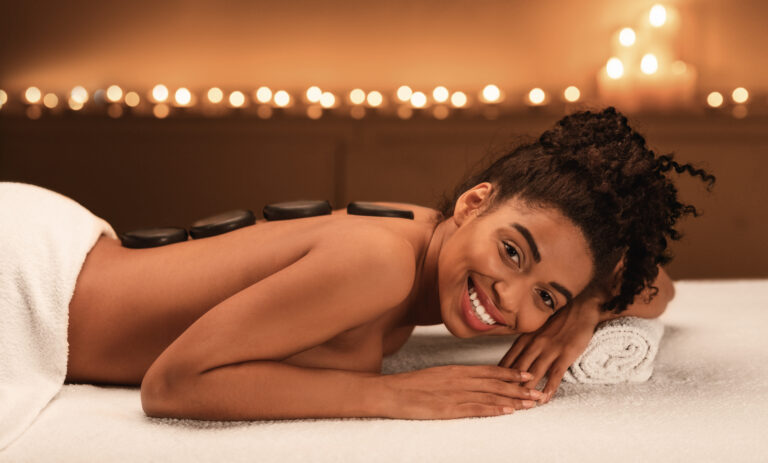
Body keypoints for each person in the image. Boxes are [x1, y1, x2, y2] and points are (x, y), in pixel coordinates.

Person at [65, 106, 715, 421]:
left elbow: (657, 285)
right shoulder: (380, 262)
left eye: (544, 295)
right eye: (512, 251)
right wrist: (392, 394)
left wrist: (586, 309)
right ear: (474, 202)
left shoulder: (424, 241)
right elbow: (171, 384)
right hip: (36, 286)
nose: (510, 299)